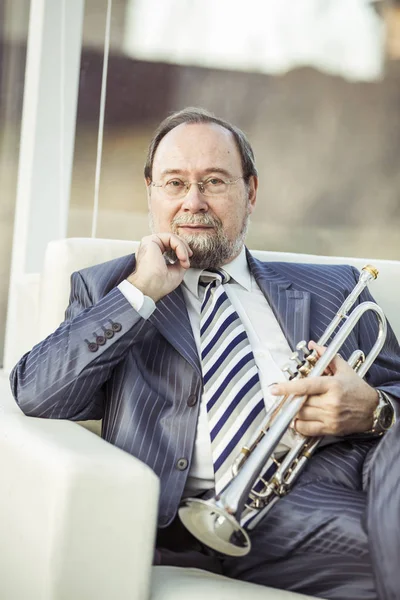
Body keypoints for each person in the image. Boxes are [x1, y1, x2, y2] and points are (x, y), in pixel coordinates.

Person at [10, 107, 400, 600]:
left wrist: (374, 409)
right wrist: (141, 291)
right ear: (151, 191)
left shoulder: (335, 286)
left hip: (367, 472)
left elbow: (394, 388)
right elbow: (36, 393)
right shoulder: (110, 288)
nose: (193, 202)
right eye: (175, 183)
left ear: (250, 191)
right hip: (237, 512)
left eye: (214, 181)